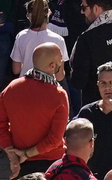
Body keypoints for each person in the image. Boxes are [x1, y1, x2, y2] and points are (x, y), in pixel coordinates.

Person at [0, 43, 70, 175]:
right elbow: (55, 139)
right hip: (51, 163)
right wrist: (26, 154)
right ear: (52, 66)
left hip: (19, 164)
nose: (62, 62)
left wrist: (12, 154)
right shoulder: (58, 95)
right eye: (60, 59)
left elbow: (1, 125)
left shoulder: (11, 88)